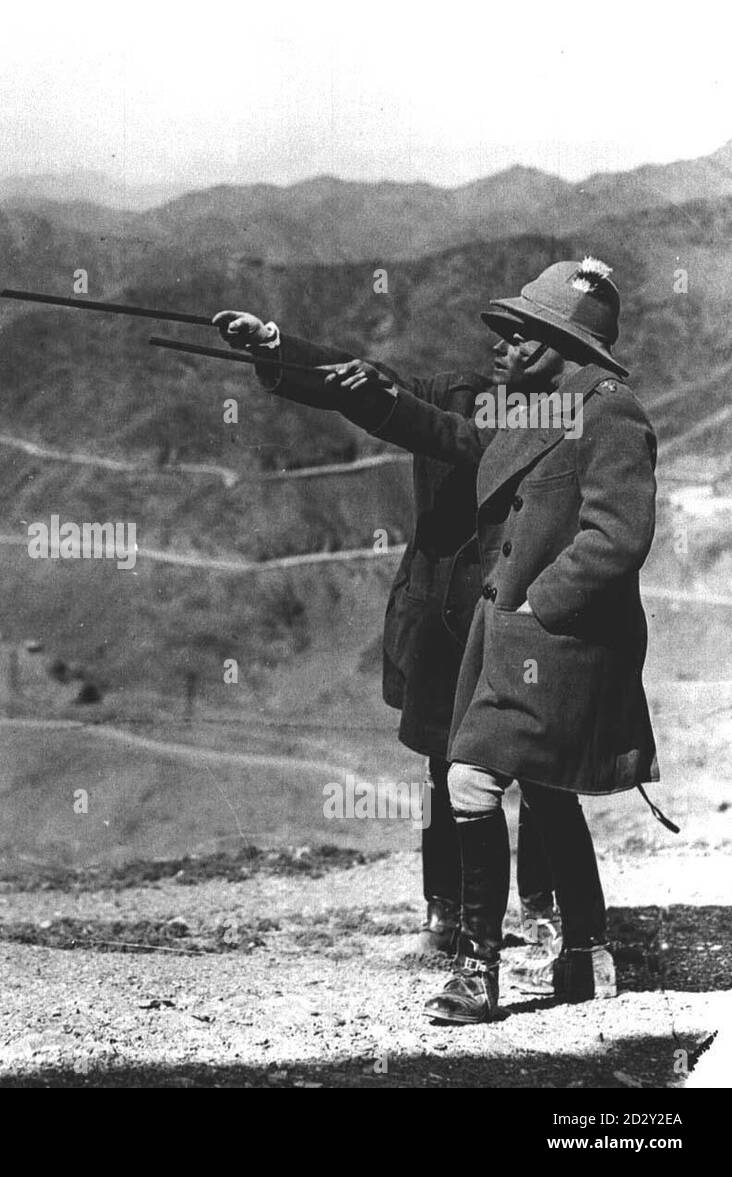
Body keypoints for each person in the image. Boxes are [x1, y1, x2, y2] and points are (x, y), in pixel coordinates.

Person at [229, 257, 660, 1024]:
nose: (502, 343)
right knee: (518, 787)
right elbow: (437, 426)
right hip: (512, 639)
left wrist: (536, 601)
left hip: (556, 641)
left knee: (483, 783)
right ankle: (576, 952)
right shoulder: (532, 409)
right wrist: (288, 353)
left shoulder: (609, 410)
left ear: (564, 342)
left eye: (522, 333)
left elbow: (618, 535)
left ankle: (485, 968)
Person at [208, 308, 559, 966]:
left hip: (519, 620)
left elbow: (442, 431)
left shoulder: (558, 416)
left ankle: (543, 907)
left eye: (518, 338)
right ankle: (446, 912)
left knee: (540, 770)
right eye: (500, 334)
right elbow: (360, 377)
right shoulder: (455, 390)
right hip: (443, 626)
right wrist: (277, 343)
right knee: (443, 769)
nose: (499, 346)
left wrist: (382, 394)